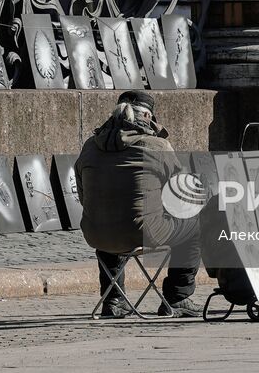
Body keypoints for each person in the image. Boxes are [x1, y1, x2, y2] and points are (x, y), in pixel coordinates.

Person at [75, 90, 202, 318]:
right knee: (194, 225)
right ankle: (177, 297)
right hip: (142, 231)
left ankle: (114, 299)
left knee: (109, 218)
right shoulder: (157, 147)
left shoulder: (89, 147)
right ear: (147, 118)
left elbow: (85, 198)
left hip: (95, 234)